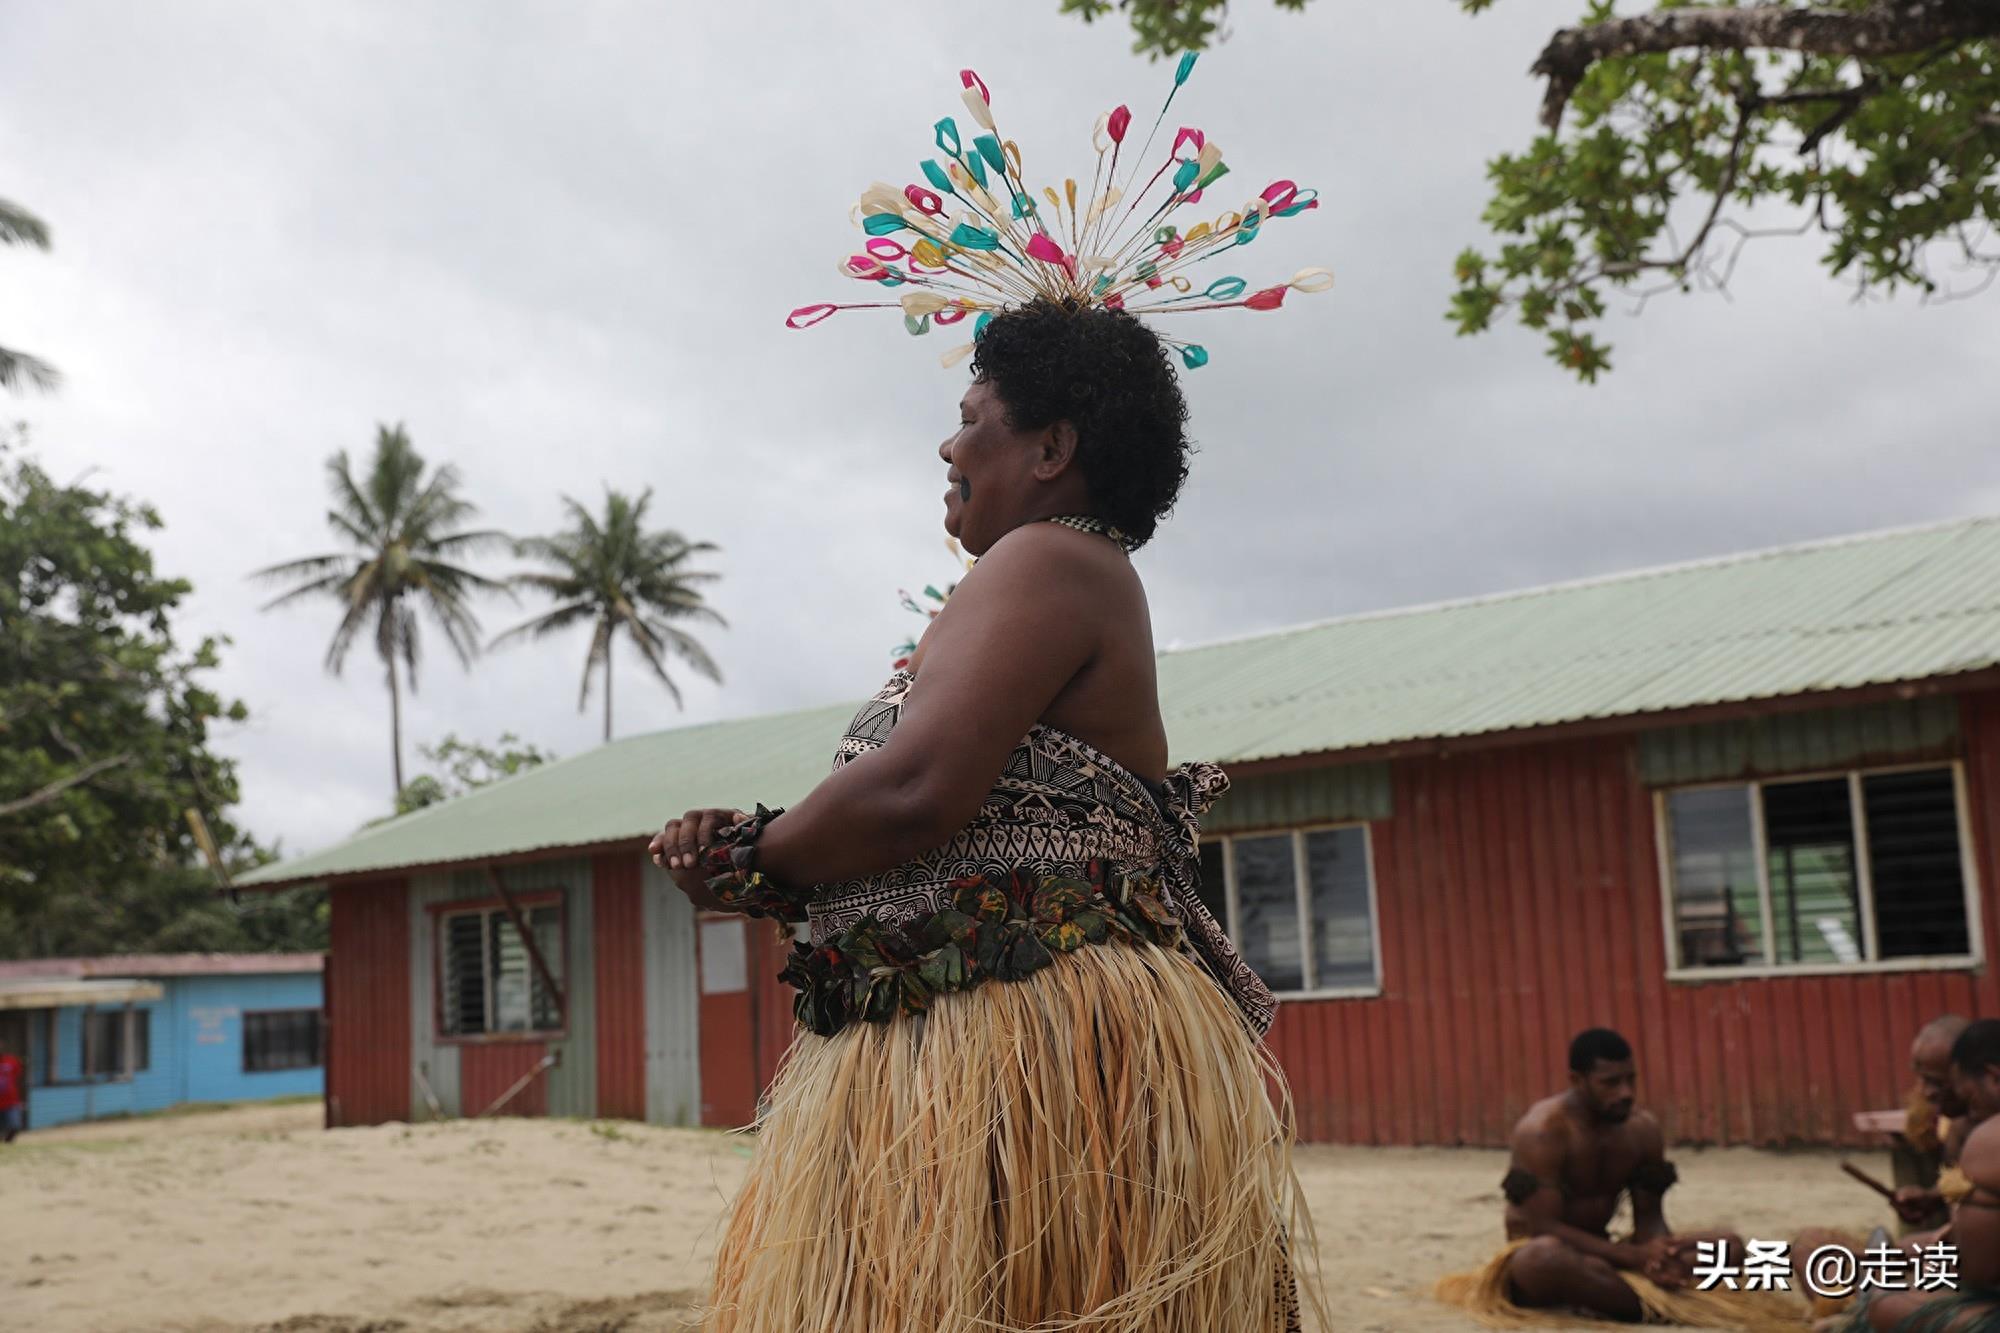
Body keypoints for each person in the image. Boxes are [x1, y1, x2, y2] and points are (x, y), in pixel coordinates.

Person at [652, 298, 1313, 1331]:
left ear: (1051, 447)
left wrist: (750, 857)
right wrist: (757, 852)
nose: (948, 444)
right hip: (985, 1028)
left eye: (972, 418)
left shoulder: (1047, 559)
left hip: (1019, 1030)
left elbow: (914, 790)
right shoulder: (1046, 577)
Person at [1435, 1028, 1794, 1329]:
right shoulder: (1544, 1131)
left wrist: (1661, 1254)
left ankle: (1629, 1299)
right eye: (1610, 1083)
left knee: (1729, 1245)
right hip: (1556, 1259)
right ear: (1578, 1081)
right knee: (1540, 1259)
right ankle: (1653, 1307)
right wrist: (1633, 1258)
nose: (1625, 1092)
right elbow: (1541, 1225)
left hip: (1611, 1256)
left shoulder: (1642, 1129)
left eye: (1630, 1080)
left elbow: (1650, 1218)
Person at [1845, 1018, 2000, 1331]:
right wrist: (1934, 1201)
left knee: (1888, 1305)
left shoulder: (1988, 1137)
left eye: (1942, 1083)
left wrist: (1937, 1251)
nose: (1929, 1093)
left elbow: (1980, 1271)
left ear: (1991, 1076)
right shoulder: (1966, 1129)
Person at [0, 1037, 22, 1144]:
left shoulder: (12, 1061)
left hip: (11, 1100)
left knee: (15, 1125)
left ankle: (8, 1143)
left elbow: (18, 1076)